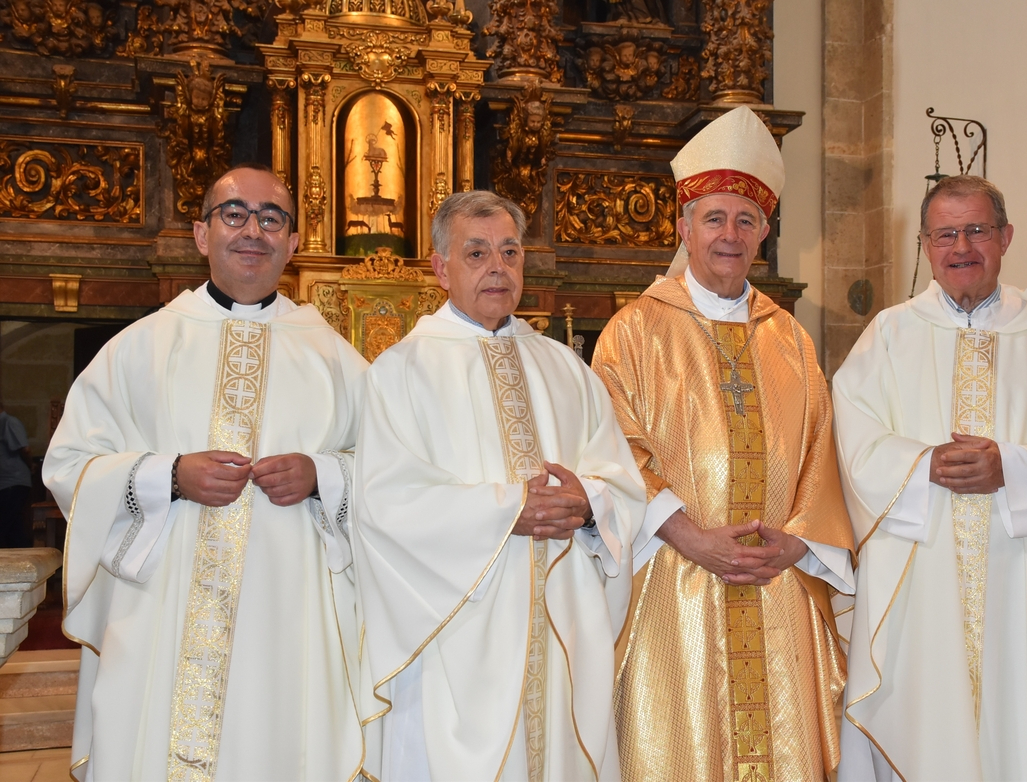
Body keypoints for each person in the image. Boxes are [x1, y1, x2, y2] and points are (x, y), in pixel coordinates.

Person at [43, 163, 370, 780]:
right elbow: (69, 464)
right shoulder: (140, 347)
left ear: (294, 243)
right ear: (201, 234)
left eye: (272, 218)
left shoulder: (333, 355)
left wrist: (321, 474)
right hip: (162, 604)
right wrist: (167, 475)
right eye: (235, 213)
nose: (254, 230)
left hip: (293, 609)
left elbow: (388, 469)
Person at [592, 105, 856, 782]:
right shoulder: (634, 332)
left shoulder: (790, 339)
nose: (729, 235)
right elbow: (612, 452)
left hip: (777, 582)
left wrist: (799, 541)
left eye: (746, 220)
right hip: (674, 584)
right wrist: (689, 536)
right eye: (714, 218)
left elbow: (821, 454)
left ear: (764, 232)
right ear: (684, 228)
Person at [353, 190, 647, 781]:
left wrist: (588, 504)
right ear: (440, 268)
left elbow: (621, 478)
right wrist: (506, 511)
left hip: (561, 621)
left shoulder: (566, 368)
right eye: (478, 253)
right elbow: (386, 502)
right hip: (454, 630)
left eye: (510, 253)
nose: (498, 268)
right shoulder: (400, 372)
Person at [833, 175, 1027, 780]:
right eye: (946, 234)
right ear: (926, 245)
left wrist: (1012, 467)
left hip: (1021, 578)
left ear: (1006, 237)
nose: (961, 246)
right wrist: (922, 464)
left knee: (1019, 728)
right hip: (920, 578)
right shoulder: (889, 335)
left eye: (977, 230)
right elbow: (852, 440)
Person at [0, 400, 32, 548]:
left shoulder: (9, 422)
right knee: (14, 527)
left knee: (6, 522)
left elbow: (24, 449)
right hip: (5, 482)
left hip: (15, 480)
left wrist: (31, 466)